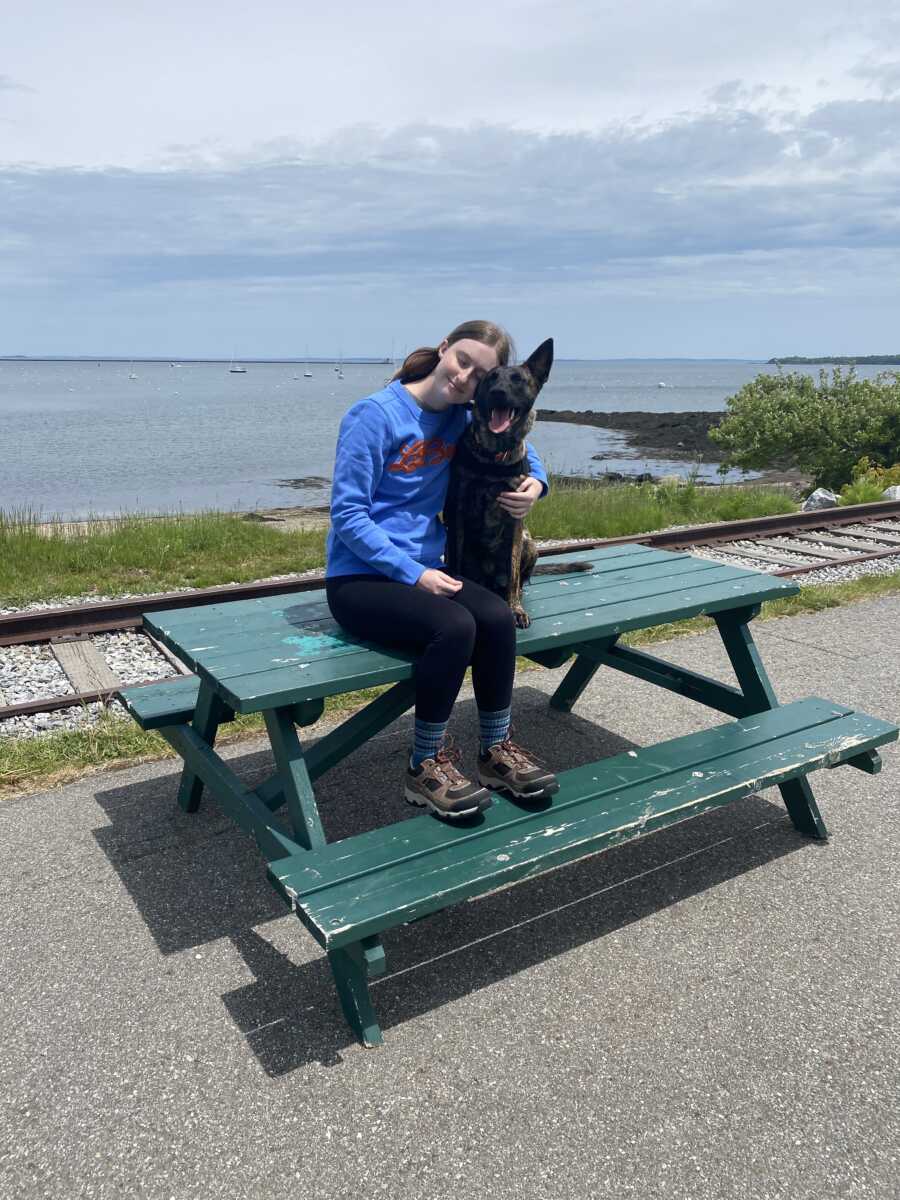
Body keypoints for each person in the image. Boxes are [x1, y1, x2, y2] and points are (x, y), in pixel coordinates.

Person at [325, 319, 558, 820]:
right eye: (463, 361)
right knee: (456, 627)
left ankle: (495, 751)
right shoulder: (375, 415)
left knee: (495, 617)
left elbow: (524, 447)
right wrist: (412, 573)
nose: (465, 377)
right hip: (360, 579)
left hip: (428, 573)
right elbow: (347, 516)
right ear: (444, 349)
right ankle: (424, 764)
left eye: (479, 375)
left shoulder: (461, 417)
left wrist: (537, 484)